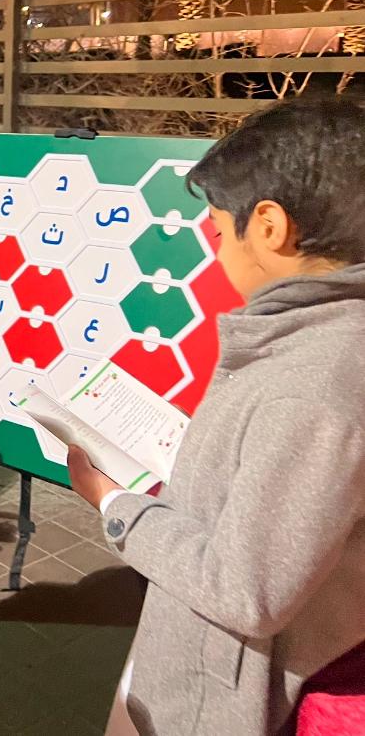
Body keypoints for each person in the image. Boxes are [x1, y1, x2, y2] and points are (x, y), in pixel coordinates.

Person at [66, 99, 365, 736]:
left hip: (226, 704)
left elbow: (246, 593)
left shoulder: (312, 387)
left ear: (270, 227)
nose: (217, 249)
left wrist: (113, 504)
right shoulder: (323, 343)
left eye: (221, 230)